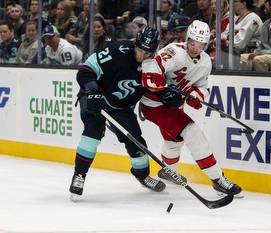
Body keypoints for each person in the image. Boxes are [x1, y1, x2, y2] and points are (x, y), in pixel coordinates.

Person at [139, 20, 242, 196]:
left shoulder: (205, 62)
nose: (196, 47)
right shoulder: (174, 51)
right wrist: (162, 89)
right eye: (193, 42)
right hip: (154, 103)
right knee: (192, 132)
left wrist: (196, 95)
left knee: (175, 139)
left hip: (173, 107)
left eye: (201, 44)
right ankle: (218, 179)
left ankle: (167, 171)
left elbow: (202, 86)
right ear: (188, 39)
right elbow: (150, 66)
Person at [69, 26, 165, 201]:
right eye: (140, 50)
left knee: (136, 141)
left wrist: (167, 94)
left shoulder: (155, 65)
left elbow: (157, 89)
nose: (142, 56)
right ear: (135, 43)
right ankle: (79, 175)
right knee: (93, 132)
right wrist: (92, 90)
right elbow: (85, 71)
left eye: (148, 53)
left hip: (120, 106)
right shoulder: (117, 51)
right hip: (97, 96)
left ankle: (142, 175)